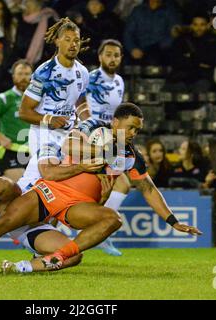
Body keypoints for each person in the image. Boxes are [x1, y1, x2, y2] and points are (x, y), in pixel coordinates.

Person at [0, 103, 202, 275]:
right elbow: (70, 146)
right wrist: (101, 153)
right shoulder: (93, 126)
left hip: (75, 208)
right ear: (116, 122)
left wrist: (173, 221)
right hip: (49, 195)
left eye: (137, 130)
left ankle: (36, 264)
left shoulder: (131, 155)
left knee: (110, 222)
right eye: (130, 127)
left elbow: (149, 189)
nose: (133, 134)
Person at [19, 17, 91, 157]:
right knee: (47, 176)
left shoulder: (83, 72)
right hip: (44, 135)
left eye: (76, 40)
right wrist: (50, 119)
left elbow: (80, 103)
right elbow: (24, 112)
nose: (73, 44)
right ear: (57, 41)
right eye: (67, 39)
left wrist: (90, 124)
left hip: (69, 136)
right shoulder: (44, 72)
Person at [86, 39, 126, 256]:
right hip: (93, 135)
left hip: (112, 137)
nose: (112, 59)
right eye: (108, 54)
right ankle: (101, 231)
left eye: (116, 55)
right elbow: (79, 103)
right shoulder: (91, 78)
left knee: (118, 185)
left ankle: (101, 232)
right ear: (100, 56)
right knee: (119, 183)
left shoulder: (119, 81)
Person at [0, 59, 32, 182]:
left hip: (34, 152)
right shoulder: (4, 98)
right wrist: (0, 138)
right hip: (11, 152)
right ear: (13, 76)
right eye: (20, 74)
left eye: (27, 74)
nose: (23, 77)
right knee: (21, 186)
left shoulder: (39, 99)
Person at [165, 13, 216, 93]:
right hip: (179, 78)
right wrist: (199, 62)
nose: (198, 28)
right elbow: (175, 61)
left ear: (208, 25)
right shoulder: (181, 40)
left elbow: (212, 61)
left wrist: (189, 57)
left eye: (202, 25)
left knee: (199, 92)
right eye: (195, 24)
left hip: (202, 79)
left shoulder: (215, 41)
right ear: (191, 25)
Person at [123, 0, 181, 65]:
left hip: (161, 52)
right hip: (138, 50)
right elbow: (128, 33)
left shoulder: (170, 11)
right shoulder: (138, 10)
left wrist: (158, 47)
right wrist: (132, 49)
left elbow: (174, 34)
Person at [10, 0, 59, 67]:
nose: (26, 6)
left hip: (41, 63)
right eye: (26, 3)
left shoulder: (48, 20)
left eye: (29, 4)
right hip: (19, 60)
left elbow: (51, 46)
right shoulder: (21, 19)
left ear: (38, 6)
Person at [79, 0, 123, 65]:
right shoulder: (82, 20)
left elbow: (111, 37)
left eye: (97, 4)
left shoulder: (112, 20)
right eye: (91, 4)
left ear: (102, 6)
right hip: (87, 56)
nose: (94, 6)